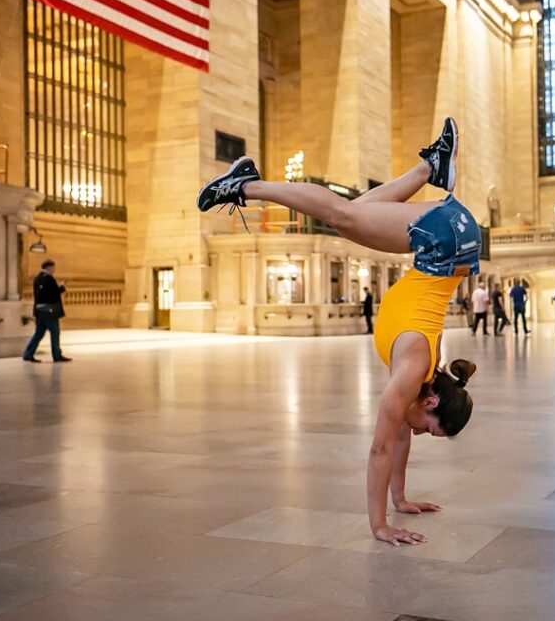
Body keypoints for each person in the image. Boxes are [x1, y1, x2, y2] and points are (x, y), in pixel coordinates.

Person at [198, 117, 476, 547]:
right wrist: (379, 525)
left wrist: (400, 499)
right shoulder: (413, 370)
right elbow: (380, 450)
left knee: (350, 217)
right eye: (431, 428)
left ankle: (429, 170)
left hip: (452, 243)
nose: (421, 433)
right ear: (433, 401)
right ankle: (245, 186)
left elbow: (400, 437)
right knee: (342, 214)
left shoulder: (419, 379)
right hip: (446, 242)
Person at [22, 260, 72, 363]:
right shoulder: (49, 279)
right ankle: (57, 355)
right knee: (55, 333)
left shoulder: (37, 278)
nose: (54, 270)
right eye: (53, 268)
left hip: (39, 310)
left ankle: (28, 353)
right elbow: (53, 294)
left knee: (39, 333)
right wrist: (62, 287)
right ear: (49, 268)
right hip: (49, 311)